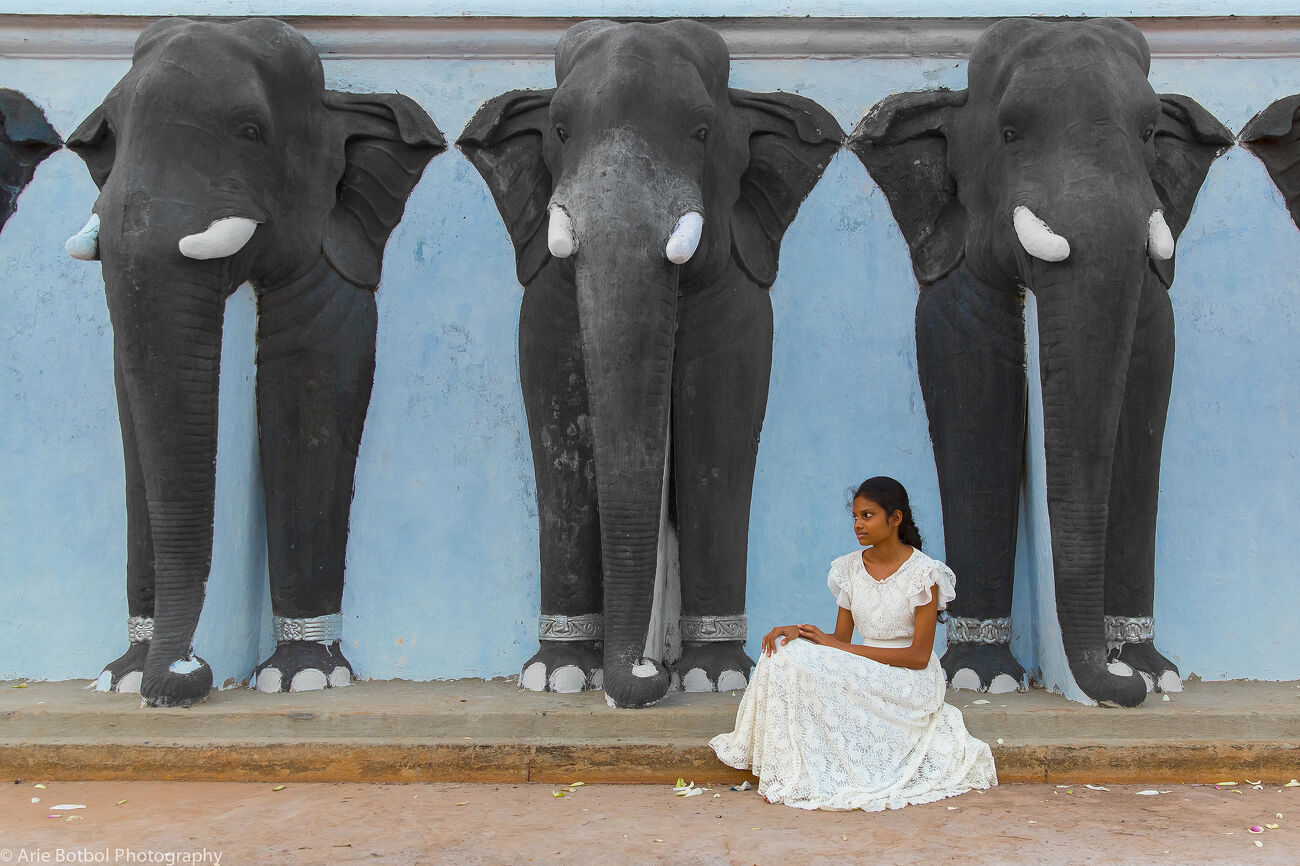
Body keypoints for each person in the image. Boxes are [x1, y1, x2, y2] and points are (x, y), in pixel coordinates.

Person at [710, 476, 996, 811]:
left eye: (868, 515)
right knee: (783, 653)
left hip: (909, 679)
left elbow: (918, 657)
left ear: (895, 519)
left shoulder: (924, 573)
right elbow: (840, 640)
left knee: (812, 660)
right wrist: (800, 632)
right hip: (863, 664)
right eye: (855, 517)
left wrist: (844, 651)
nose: (858, 524)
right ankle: (785, 764)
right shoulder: (848, 568)